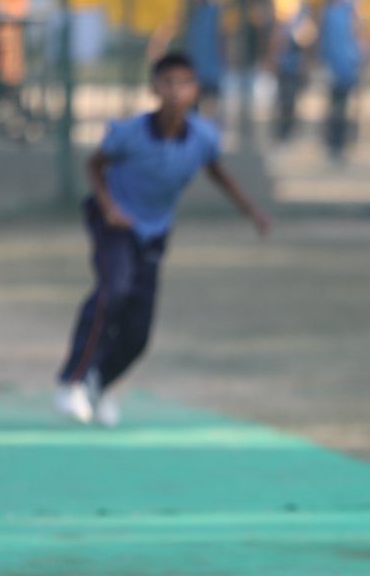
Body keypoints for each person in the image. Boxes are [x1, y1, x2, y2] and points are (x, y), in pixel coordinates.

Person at [54, 53, 270, 428]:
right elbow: (94, 165)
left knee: (138, 333)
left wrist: (250, 210)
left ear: (195, 90)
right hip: (114, 223)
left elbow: (217, 171)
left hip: (154, 232)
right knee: (114, 290)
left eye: (184, 83)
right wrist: (109, 208)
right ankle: (73, 380)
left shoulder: (203, 137)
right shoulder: (130, 133)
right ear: (154, 88)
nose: (175, 91)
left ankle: (99, 384)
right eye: (167, 82)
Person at [318, 0, 370, 164]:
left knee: (348, 107)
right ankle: (332, 145)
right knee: (334, 106)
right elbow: (322, 33)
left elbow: (364, 31)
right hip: (332, 63)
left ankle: (343, 145)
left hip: (350, 63)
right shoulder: (326, 3)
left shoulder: (356, 2)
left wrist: (365, 56)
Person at [267, 0, 316, 142]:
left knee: (288, 102)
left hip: (292, 66)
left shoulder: (300, 15)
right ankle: (282, 134)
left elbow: (306, 41)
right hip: (286, 65)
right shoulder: (292, 14)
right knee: (284, 101)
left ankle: (285, 134)